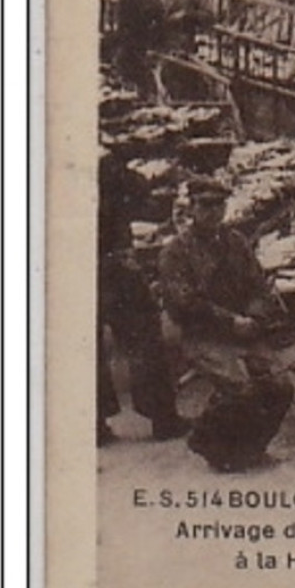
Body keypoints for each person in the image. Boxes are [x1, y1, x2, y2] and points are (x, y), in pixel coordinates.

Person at [158, 178, 295, 473]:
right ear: (191, 208)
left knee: (281, 386)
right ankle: (209, 441)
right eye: (205, 205)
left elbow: (259, 286)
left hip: (244, 330)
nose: (213, 211)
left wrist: (254, 317)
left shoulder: (236, 242)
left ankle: (253, 447)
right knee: (241, 389)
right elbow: (185, 303)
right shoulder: (175, 253)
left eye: (219, 204)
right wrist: (231, 320)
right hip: (204, 335)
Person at [97, 153, 188, 447]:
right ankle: (161, 416)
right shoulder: (103, 160)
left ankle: (94, 422)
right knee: (143, 337)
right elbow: (137, 189)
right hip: (114, 261)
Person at [104, 0, 164, 95]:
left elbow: (156, 15)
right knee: (133, 73)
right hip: (133, 40)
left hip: (134, 41)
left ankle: (147, 98)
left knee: (130, 70)